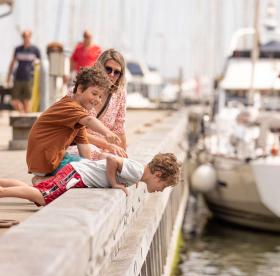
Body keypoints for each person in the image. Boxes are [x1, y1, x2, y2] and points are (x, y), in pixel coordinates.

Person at [26, 65, 120, 178]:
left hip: (53, 159)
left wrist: (89, 167)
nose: (97, 99)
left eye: (100, 96)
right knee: (99, 173)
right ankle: (43, 181)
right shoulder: (70, 107)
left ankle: (45, 179)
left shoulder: (77, 117)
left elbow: (83, 145)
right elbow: (90, 120)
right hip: (45, 161)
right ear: (80, 89)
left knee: (92, 169)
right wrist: (107, 132)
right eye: (94, 94)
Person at [0, 153, 181, 206]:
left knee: (39, 189)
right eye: (163, 186)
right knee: (42, 196)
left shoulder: (137, 173)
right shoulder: (136, 172)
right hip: (78, 175)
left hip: (77, 171)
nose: (160, 190)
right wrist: (114, 184)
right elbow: (111, 159)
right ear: (158, 175)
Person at [67, 48, 127, 159]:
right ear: (99, 67)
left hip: (106, 149)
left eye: (117, 72)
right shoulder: (79, 91)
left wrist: (123, 155)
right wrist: (106, 145)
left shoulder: (119, 94)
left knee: (120, 163)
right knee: (105, 159)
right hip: (77, 145)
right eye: (108, 69)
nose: (112, 74)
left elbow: (119, 129)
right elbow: (75, 132)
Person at [6, 30, 41, 113]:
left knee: (27, 100)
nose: (26, 38)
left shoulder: (35, 50)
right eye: (25, 37)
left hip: (29, 78)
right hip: (17, 77)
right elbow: (12, 63)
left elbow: (40, 65)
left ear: (30, 37)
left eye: (28, 36)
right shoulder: (17, 49)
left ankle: (26, 119)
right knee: (14, 100)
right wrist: (8, 77)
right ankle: (22, 113)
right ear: (23, 38)